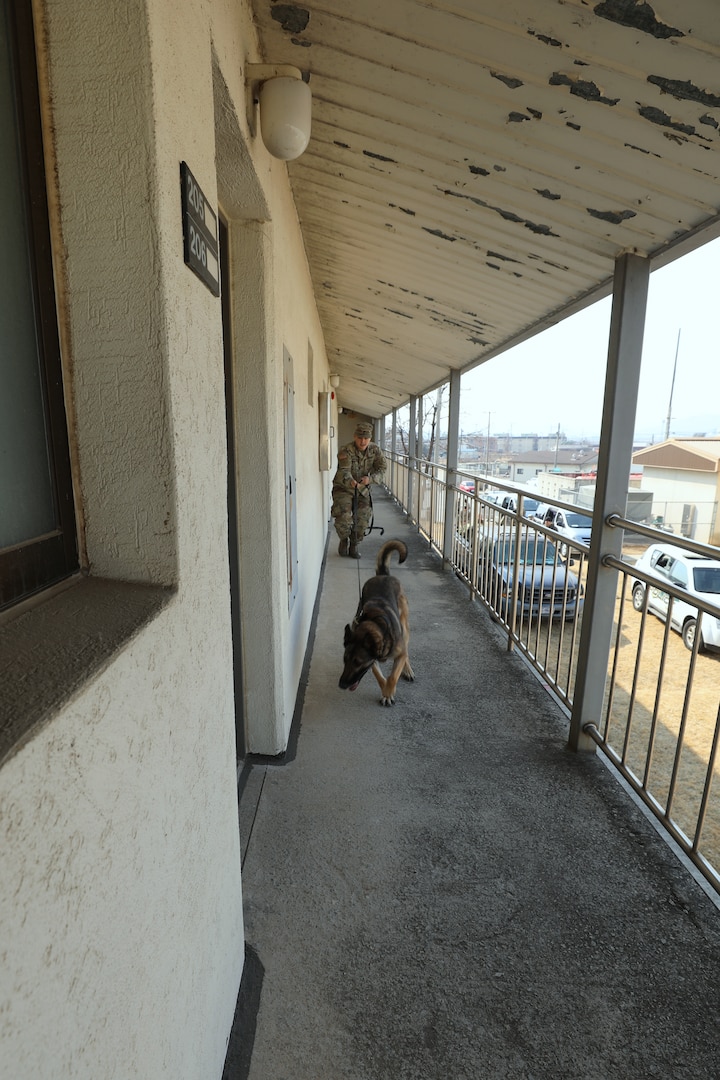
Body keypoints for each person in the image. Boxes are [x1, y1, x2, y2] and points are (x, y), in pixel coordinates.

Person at [331, 421, 386, 558]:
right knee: (343, 518)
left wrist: (371, 479)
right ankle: (344, 539)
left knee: (362, 520)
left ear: (370, 438)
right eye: (360, 438)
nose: (363, 441)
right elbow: (344, 471)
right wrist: (352, 482)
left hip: (362, 489)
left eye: (366, 438)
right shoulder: (346, 450)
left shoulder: (375, 450)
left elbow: (382, 468)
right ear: (355, 437)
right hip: (344, 488)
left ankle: (354, 544)